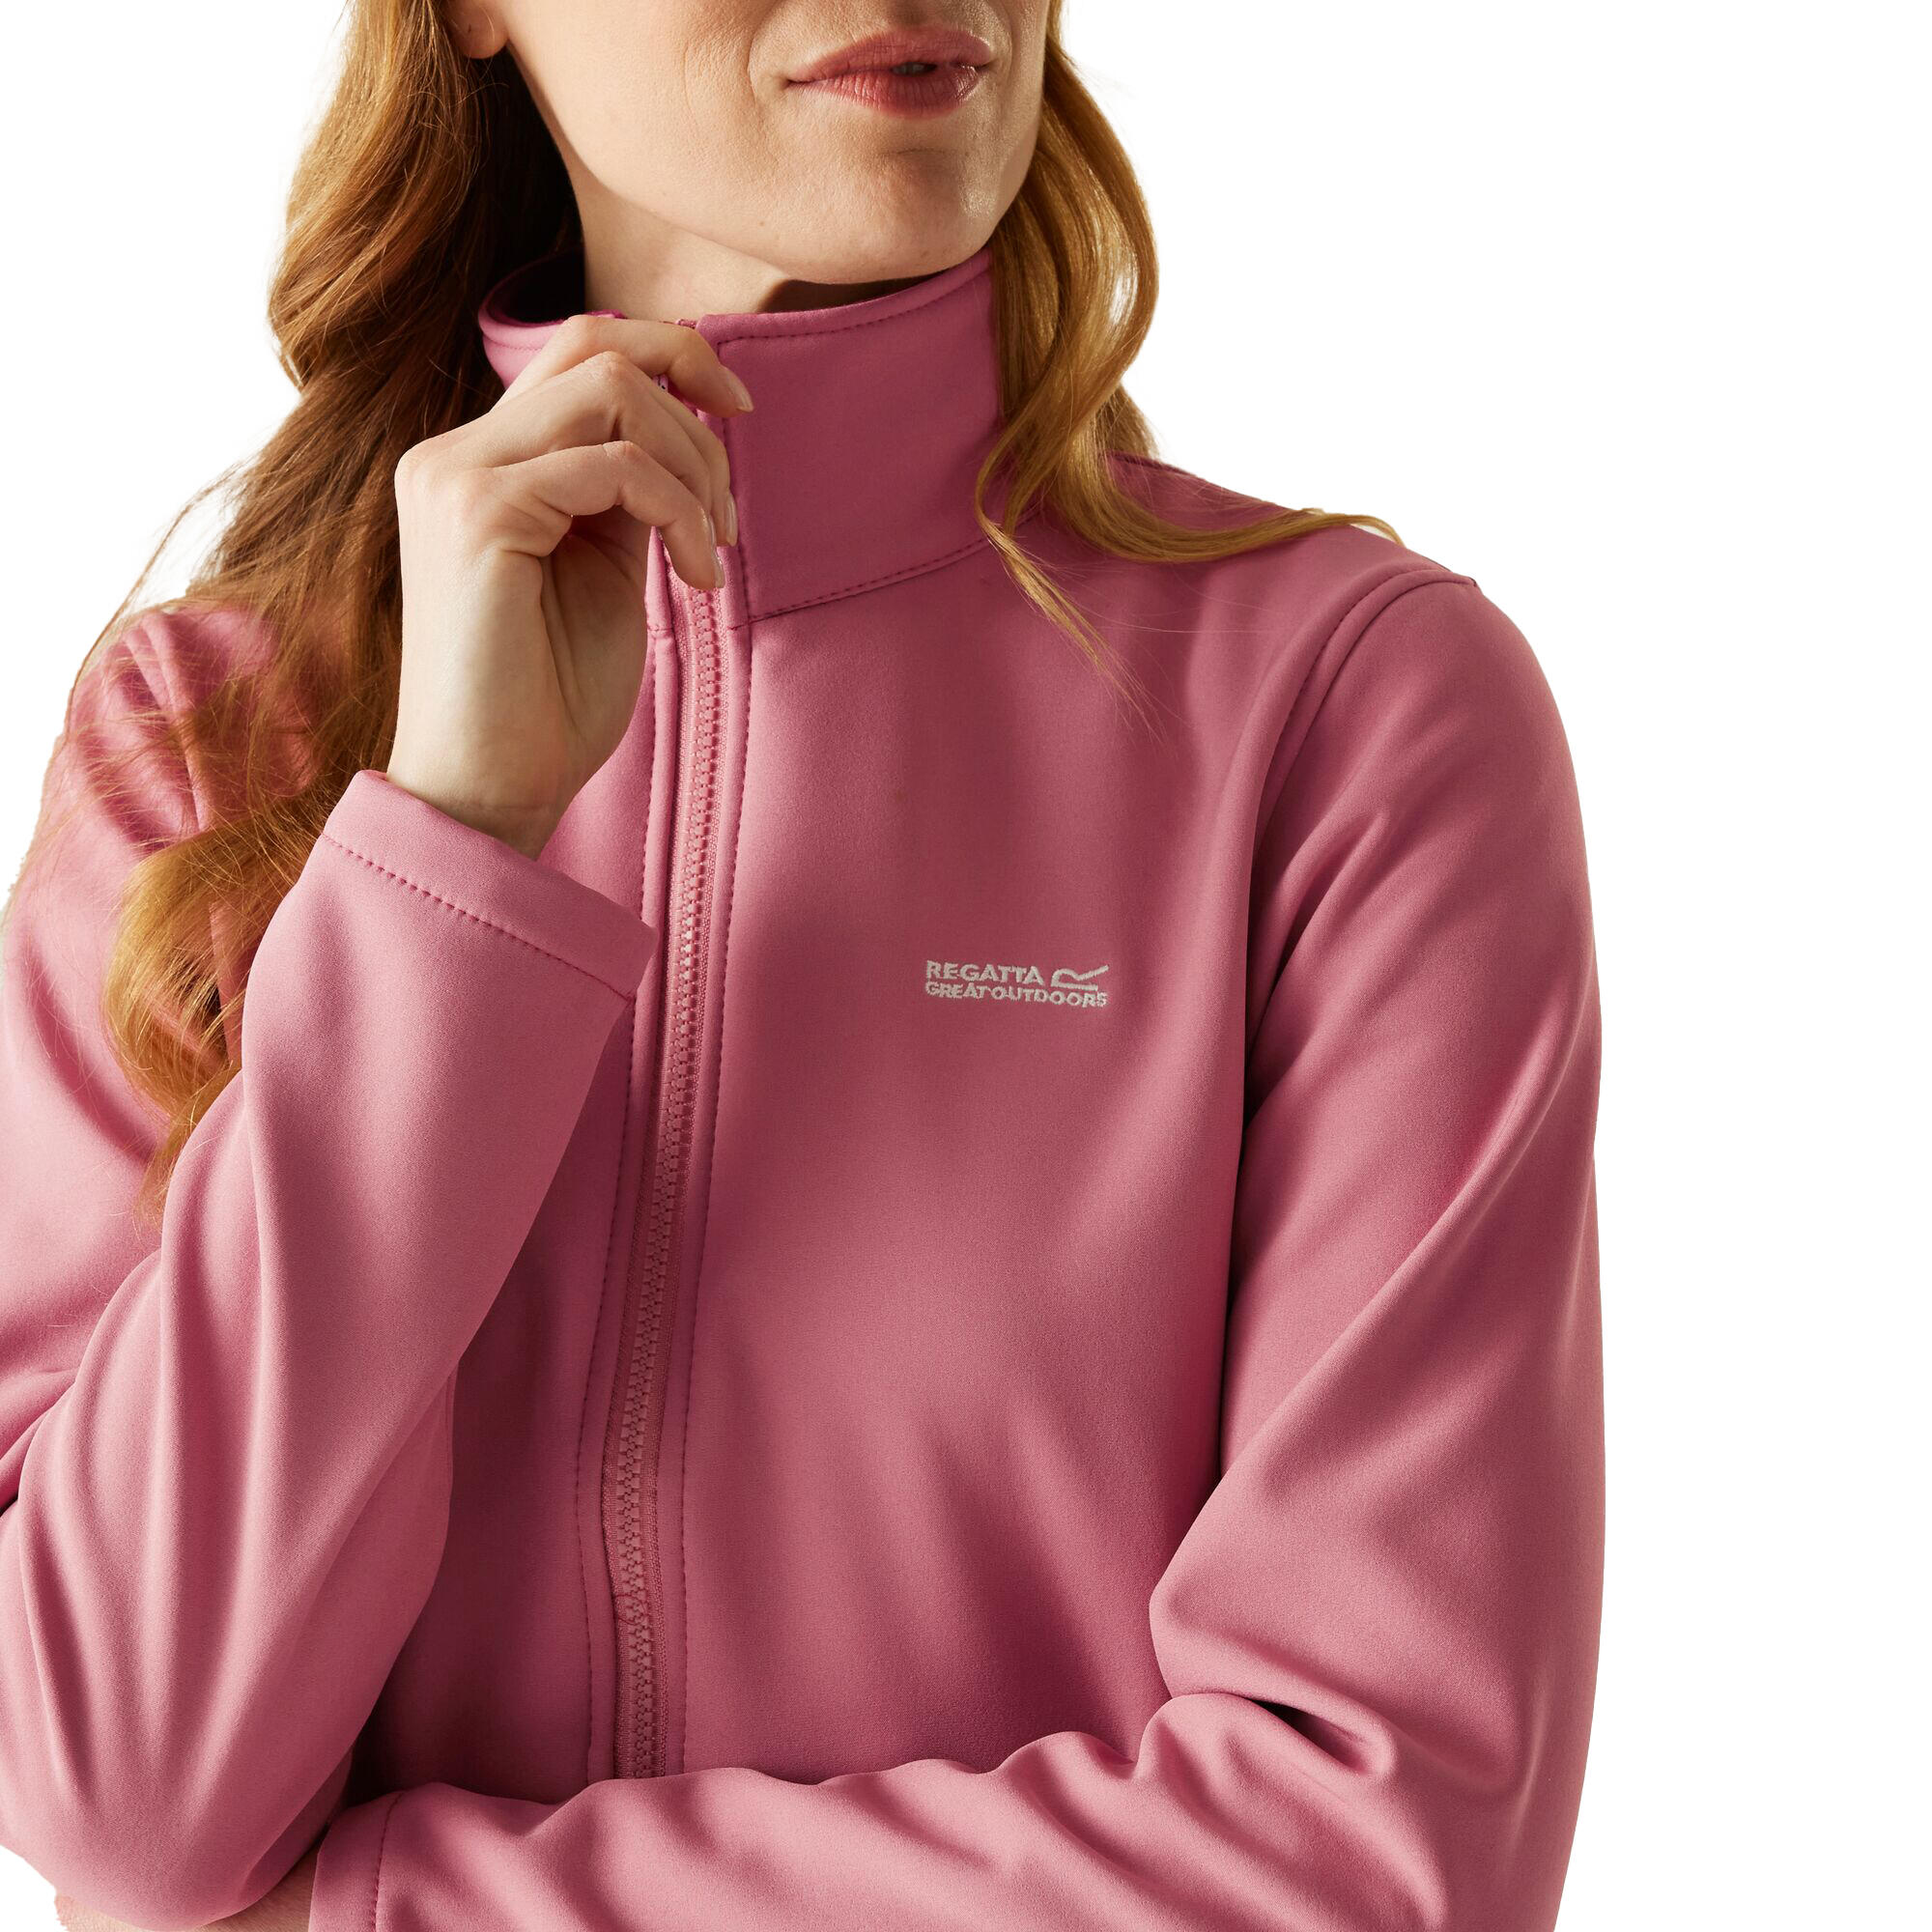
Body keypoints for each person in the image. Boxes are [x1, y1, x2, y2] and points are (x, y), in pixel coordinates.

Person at [4, 3, 1605, 1929]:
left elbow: (1375, 1860)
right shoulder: (203, 746)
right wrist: (444, 850)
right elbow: (115, 1788)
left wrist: (367, 1913)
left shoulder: (1342, 717)